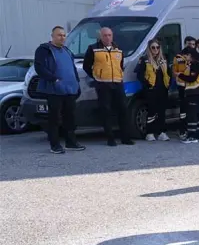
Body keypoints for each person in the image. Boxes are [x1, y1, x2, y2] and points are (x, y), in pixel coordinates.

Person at [34, 25, 85, 154]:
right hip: (54, 90)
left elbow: (72, 68)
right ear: (52, 36)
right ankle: (55, 145)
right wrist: (53, 79)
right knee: (54, 118)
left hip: (70, 90)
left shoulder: (67, 50)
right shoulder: (44, 49)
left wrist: (77, 83)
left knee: (70, 118)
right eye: (59, 35)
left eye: (63, 35)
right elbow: (39, 67)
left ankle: (71, 142)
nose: (62, 37)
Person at [82, 26, 134, 146]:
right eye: (105, 35)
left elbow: (120, 64)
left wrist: (119, 74)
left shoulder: (118, 49)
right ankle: (110, 138)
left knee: (123, 109)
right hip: (103, 84)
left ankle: (125, 137)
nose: (107, 37)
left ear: (112, 36)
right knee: (106, 110)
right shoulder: (93, 48)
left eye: (109, 35)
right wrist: (96, 76)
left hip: (117, 82)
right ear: (101, 36)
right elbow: (86, 66)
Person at [134, 39, 170, 142]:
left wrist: (168, 84)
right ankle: (150, 133)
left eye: (157, 47)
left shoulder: (163, 59)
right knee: (152, 111)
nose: (155, 50)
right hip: (151, 89)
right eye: (153, 47)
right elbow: (139, 74)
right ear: (149, 48)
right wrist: (147, 84)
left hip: (162, 89)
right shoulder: (144, 59)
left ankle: (162, 132)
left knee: (161, 111)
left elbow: (168, 72)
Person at [176, 48, 199, 143]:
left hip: (195, 90)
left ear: (190, 55)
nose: (185, 58)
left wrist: (180, 75)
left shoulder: (195, 64)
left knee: (192, 114)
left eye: (186, 56)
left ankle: (191, 136)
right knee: (198, 113)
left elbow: (192, 78)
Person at [173, 36, 196, 139]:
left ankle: (192, 129)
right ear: (185, 44)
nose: (191, 46)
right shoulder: (178, 57)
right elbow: (176, 72)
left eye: (193, 44)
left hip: (193, 86)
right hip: (182, 86)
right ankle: (182, 129)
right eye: (189, 44)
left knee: (192, 108)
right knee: (183, 109)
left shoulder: (196, 57)